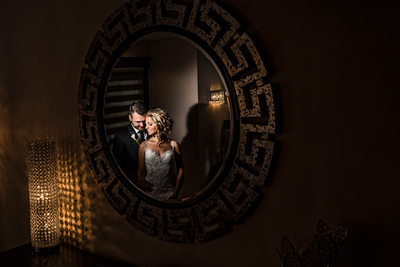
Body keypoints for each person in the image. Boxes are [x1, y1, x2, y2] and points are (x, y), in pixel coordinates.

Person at [137, 108, 183, 201]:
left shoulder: (173, 145)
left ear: (159, 124)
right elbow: (140, 173)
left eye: (150, 124)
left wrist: (175, 193)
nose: (146, 127)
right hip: (150, 194)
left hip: (170, 194)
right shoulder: (144, 146)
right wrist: (140, 181)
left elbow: (181, 171)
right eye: (146, 124)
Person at [112, 100, 147, 184]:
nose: (142, 125)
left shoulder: (152, 131)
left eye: (144, 121)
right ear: (130, 118)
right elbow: (117, 165)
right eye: (138, 122)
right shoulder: (121, 137)